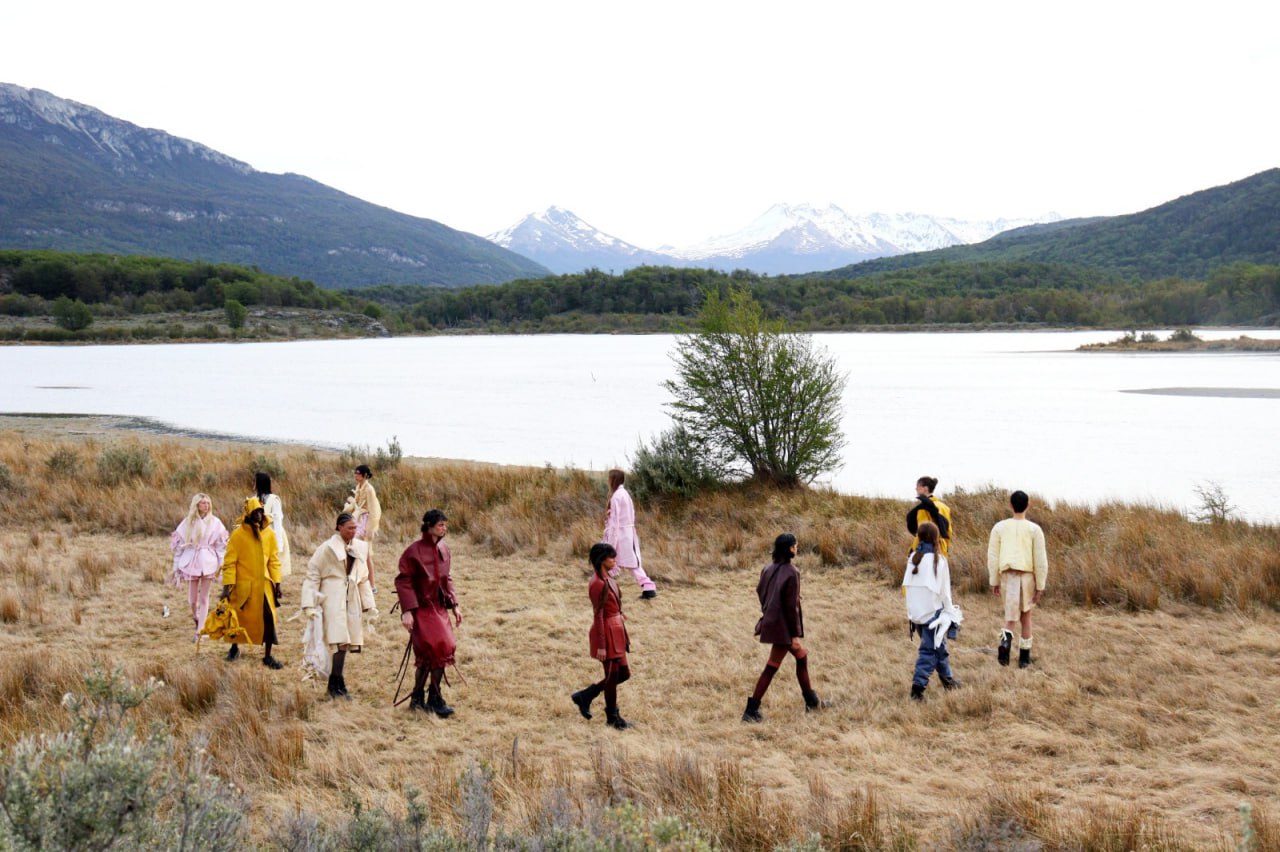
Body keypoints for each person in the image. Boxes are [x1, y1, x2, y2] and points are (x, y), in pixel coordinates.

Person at [742, 533, 824, 722]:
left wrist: (768, 609)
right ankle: (751, 710)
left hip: (773, 622)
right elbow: (791, 608)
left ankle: (811, 701)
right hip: (783, 628)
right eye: (795, 546)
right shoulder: (792, 572)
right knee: (772, 667)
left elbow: (760, 591)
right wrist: (794, 635)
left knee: (800, 657)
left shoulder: (767, 568)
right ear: (789, 548)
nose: (797, 548)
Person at [301, 512, 377, 699]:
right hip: (332, 598)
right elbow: (313, 574)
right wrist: (309, 604)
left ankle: (336, 683)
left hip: (351, 600)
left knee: (346, 641)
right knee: (339, 641)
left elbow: (363, 577)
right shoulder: (326, 549)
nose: (353, 531)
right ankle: (336, 682)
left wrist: (369, 604)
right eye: (350, 528)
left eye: (355, 528)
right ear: (339, 527)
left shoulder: (359, 548)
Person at [395, 509, 463, 717]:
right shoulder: (413, 551)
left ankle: (433, 697)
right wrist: (408, 611)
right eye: (440, 524)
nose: (444, 528)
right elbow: (403, 580)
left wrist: (455, 605)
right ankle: (419, 699)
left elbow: (446, 578)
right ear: (429, 526)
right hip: (422, 608)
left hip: (439, 607)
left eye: (445, 524)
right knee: (429, 650)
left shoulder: (444, 549)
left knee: (446, 646)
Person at [570, 543, 633, 730]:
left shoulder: (608, 579)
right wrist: (602, 645)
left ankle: (586, 695)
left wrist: (619, 614)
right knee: (612, 676)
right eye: (611, 557)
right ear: (601, 560)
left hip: (616, 629)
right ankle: (612, 718)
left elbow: (612, 605)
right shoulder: (596, 583)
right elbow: (598, 615)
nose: (614, 560)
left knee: (624, 674)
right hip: (607, 633)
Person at [220, 497, 284, 668]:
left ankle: (268, 656)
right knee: (238, 618)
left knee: (269, 619)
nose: (258, 515)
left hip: (264, 586)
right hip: (244, 586)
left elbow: (274, 560)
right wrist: (227, 587)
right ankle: (234, 648)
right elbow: (230, 562)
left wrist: (277, 583)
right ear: (248, 513)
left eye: (260, 512)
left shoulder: (269, 534)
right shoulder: (238, 535)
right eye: (255, 512)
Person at [987, 490, 1049, 668]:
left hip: (1007, 574)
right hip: (1027, 576)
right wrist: (1040, 585)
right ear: (1028, 505)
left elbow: (993, 556)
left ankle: (1005, 644)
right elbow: (1040, 559)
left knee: (1010, 616)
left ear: (1010, 505)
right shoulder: (1034, 529)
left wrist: (994, 581)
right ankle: (1024, 658)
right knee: (1026, 616)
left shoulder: (999, 527)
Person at [903, 522, 962, 700]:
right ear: (937, 539)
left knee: (939, 648)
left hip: (915, 615)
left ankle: (948, 681)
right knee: (929, 652)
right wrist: (951, 613)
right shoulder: (939, 561)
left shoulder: (913, 558)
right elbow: (945, 592)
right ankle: (917, 689)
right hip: (932, 615)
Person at [169, 492, 229, 642]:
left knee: (204, 596)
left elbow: (221, 546)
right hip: (192, 560)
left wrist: (221, 565)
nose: (206, 506)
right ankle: (196, 617)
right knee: (192, 599)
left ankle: (200, 630)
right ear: (197, 505)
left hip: (208, 561)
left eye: (208, 503)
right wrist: (176, 566)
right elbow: (179, 546)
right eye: (203, 503)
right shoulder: (187, 522)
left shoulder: (215, 522)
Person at [603, 469, 657, 599]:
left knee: (606, 560)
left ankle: (605, 588)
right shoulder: (624, 494)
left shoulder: (617, 496)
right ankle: (648, 587)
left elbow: (615, 521)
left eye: (609, 478)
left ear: (613, 480)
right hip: (626, 533)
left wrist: (611, 542)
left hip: (620, 534)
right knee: (630, 563)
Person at [343, 463, 382, 591]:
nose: (356, 475)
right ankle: (353, 580)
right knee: (353, 549)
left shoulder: (369, 489)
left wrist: (370, 529)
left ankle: (372, 585)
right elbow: (356, 504)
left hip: (365, 522)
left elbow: (374, 510)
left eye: (358, 473)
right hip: (357, 519)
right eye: (355, 473)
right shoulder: (359, 486)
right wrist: (347, 509)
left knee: (366, 553)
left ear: (365, 475)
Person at [254, 471, 293, 577]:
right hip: (257, 534)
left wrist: (278, 544)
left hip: (272, 534)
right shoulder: (254, 499)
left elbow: (277, 521)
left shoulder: (273, 499)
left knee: (272, 566)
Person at [906, 475, 952, 556]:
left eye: (918, 486)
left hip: (926, 551)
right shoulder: (945, 507)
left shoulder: (923, 508)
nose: (916, 489)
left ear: (925, 489)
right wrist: (946, 548)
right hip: (942, 549)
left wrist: (913, 550)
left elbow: (922, 532)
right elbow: (948, 531)